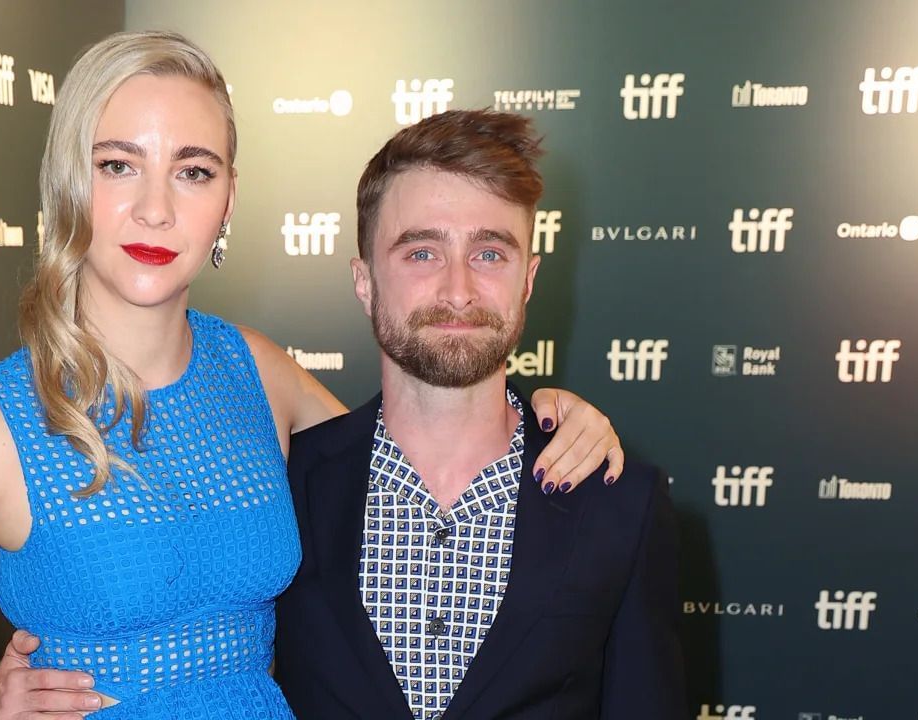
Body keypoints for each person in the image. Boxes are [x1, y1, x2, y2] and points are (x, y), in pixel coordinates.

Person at [0, 31, 624, 719]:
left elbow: (420, 443)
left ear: (228, 200)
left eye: (193, 172)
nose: (156, 209)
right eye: (117, 165)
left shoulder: (258, 372)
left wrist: (550, 417)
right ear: (67, 180)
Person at [273, 110, 686, 719]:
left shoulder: (621, 503)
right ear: (364, 282)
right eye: (421, 253)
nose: (459, 290)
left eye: (490, 253)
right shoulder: (283, 485)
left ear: (529, 279)